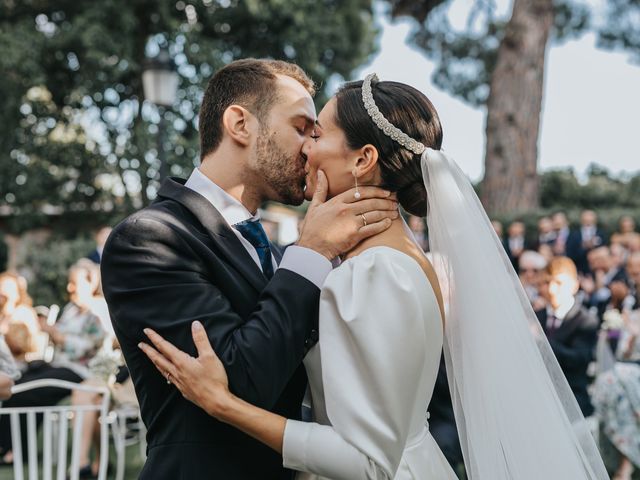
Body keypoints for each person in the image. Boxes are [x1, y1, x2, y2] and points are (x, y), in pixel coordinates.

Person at [140, 74, 608, 479]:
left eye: (317, 133)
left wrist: (224, 405)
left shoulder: (379, 272)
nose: (306, 148)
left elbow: (367, 462)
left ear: (363, 160)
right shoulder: (375, 262)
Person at [100, 59, 398, 480]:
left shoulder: (279, 255)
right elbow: (243, 382)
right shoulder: (149, 239)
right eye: (301, 128)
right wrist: (311, 250)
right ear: (240, 124)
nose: (311, 148)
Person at [535, 257, 599, 416]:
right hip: (535, 395)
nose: (551, 290)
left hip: (571, 398)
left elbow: (578, 359)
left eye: (558, 283)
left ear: (574, 285)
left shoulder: (585, 321)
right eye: (546, 282)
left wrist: (540, 340)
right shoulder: (535, 317)